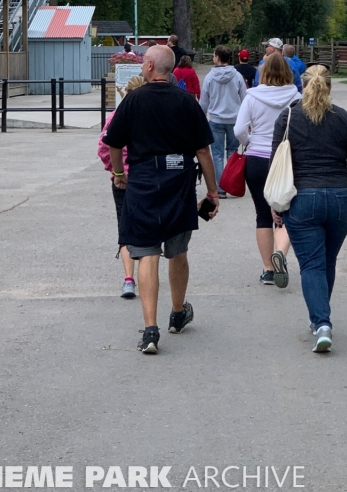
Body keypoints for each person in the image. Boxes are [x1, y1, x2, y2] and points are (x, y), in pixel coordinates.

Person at [103, 44, 219, 355]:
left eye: (144, 62)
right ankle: (178, 314)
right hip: (178, 182)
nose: (142, 66)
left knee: (147, 253)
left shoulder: (133, 100)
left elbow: (113, 141)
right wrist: (212, 191)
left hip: (142, 181)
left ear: (152, 66)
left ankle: (150, 329)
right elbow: (203, 150)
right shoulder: (186, 101)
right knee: (177, 251)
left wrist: (119, 174)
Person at [271, 64, 347, 353]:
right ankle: (319, 318)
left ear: (302, 86)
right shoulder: (344, 119)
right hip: (341, 199)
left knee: (312, 264)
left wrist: (274, 203)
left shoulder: (288, 118)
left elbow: (276, 163)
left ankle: (322, 323)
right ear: (330, 87)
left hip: (303, 199)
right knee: (327, 261)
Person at [235, 52, 300, 286]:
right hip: (286, 160)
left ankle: (268, 269)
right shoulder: (296, 97)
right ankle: (280, 253)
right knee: (285, 211)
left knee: (262, 214)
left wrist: (250, 142)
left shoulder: (252, 97)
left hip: (257, 158)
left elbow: (239, 129)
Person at [97, 74, 146, 299]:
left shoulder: (116, 116)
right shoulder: (151, 116)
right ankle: (147, 272)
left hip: (122, 179)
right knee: (146, 229)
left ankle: (128, 279)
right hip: (146, 177)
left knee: (125, 227)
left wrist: (116, 171)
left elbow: (103, 147)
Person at [199, 45, 246, 195]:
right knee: (232, 152)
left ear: (218, 58)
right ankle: (231, 184)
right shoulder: (237, 76)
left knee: (217, 155)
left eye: (214, 55)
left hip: (216, 120)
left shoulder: (209, 77)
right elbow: (244, 98)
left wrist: (201, 118)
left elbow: (204, 101)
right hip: (234, 119)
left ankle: (220, 188)